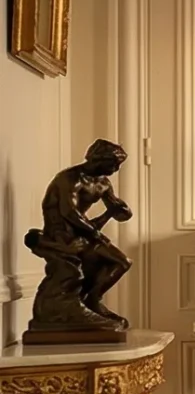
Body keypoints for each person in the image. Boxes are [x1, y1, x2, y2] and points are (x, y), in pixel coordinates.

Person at [25, 139, 134, 336]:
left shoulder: (103, 183)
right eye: (113, 163)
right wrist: (95, 233)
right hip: (62, 236)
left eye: (118, 164)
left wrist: (120, 211)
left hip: (85, 232)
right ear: (97, 158)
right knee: (74, 272)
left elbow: (116, 211)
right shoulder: (69, 179)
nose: (116, 169)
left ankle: (92, 300)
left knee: (122, 262)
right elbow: (69, 213)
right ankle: (70, 307)